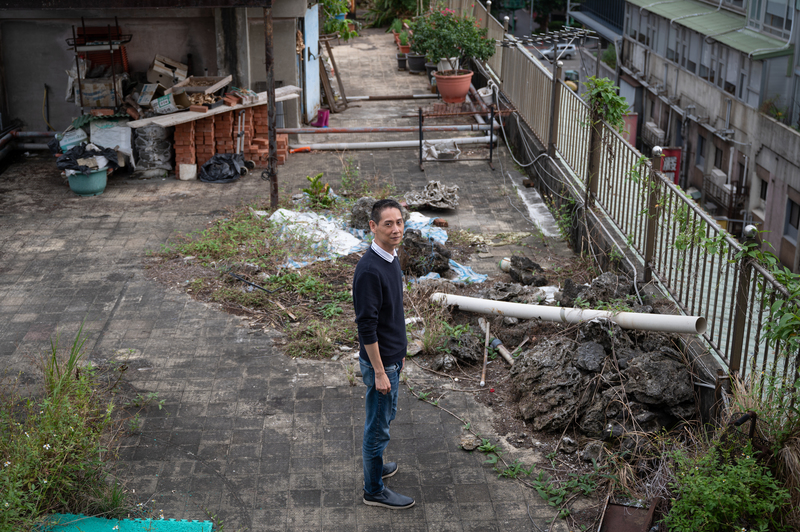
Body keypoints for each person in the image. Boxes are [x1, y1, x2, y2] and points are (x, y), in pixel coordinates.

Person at [352, 199, 415, 510]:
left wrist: (399, 353)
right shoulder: (368, 270)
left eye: (399, 222)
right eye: (388, 224)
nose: (396, 229)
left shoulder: (391, 256)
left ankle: (376, 468)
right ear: (372, 227)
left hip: (392, 357)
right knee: (377, 428)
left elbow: (393, 312)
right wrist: (379, 371)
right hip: (381, 364)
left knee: (384, 418)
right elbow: (367, 326)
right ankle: (373, 490)